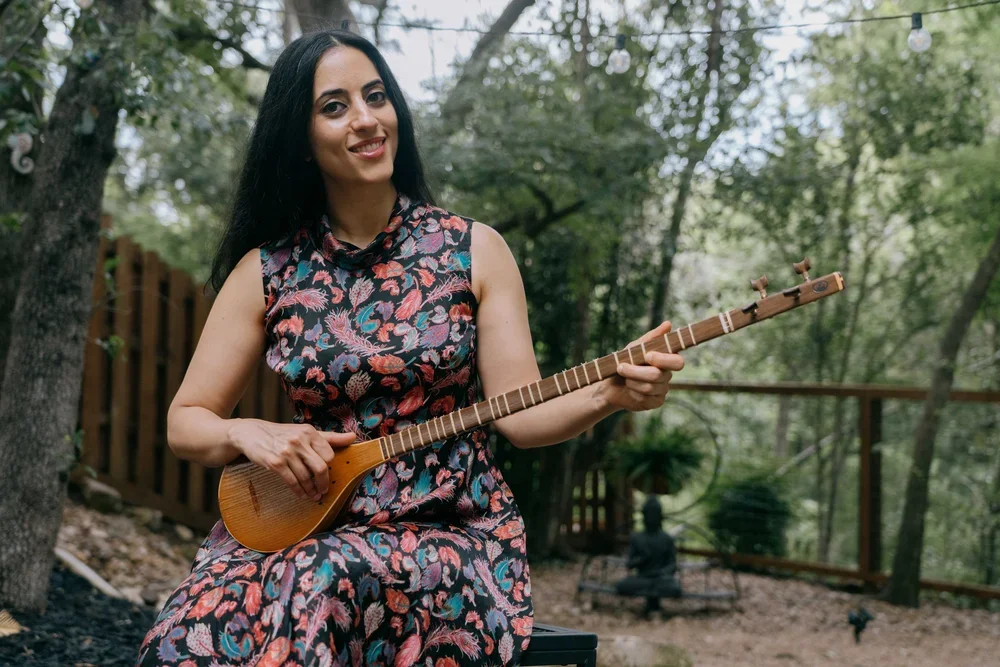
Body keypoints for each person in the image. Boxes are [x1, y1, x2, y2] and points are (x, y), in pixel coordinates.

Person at [135, 28, 684, 667]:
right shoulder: (267, 271)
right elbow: (185, 422)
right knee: (183, 637)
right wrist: (252, 435)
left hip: (448, 532)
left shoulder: (474, 249)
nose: (367, 120)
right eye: (335, 106)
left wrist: (609, 393)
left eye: (376, 96)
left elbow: (521, 416)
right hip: (303, 526)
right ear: (301, 139)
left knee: (324, 579)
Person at [614, 495, 681, 616]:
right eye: (649, 513)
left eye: (654, 514)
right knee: (622, 585)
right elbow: (629, 564)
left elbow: (672, 564)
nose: (652, 517)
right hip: (642, 578)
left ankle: (653, 602)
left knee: (674, 587)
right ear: (644, 515)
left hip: (660, 579)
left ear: (660, 516)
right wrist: (642, 559)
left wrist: (663, 572)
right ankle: (651, 600)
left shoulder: (666, 539)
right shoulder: (637, 538)